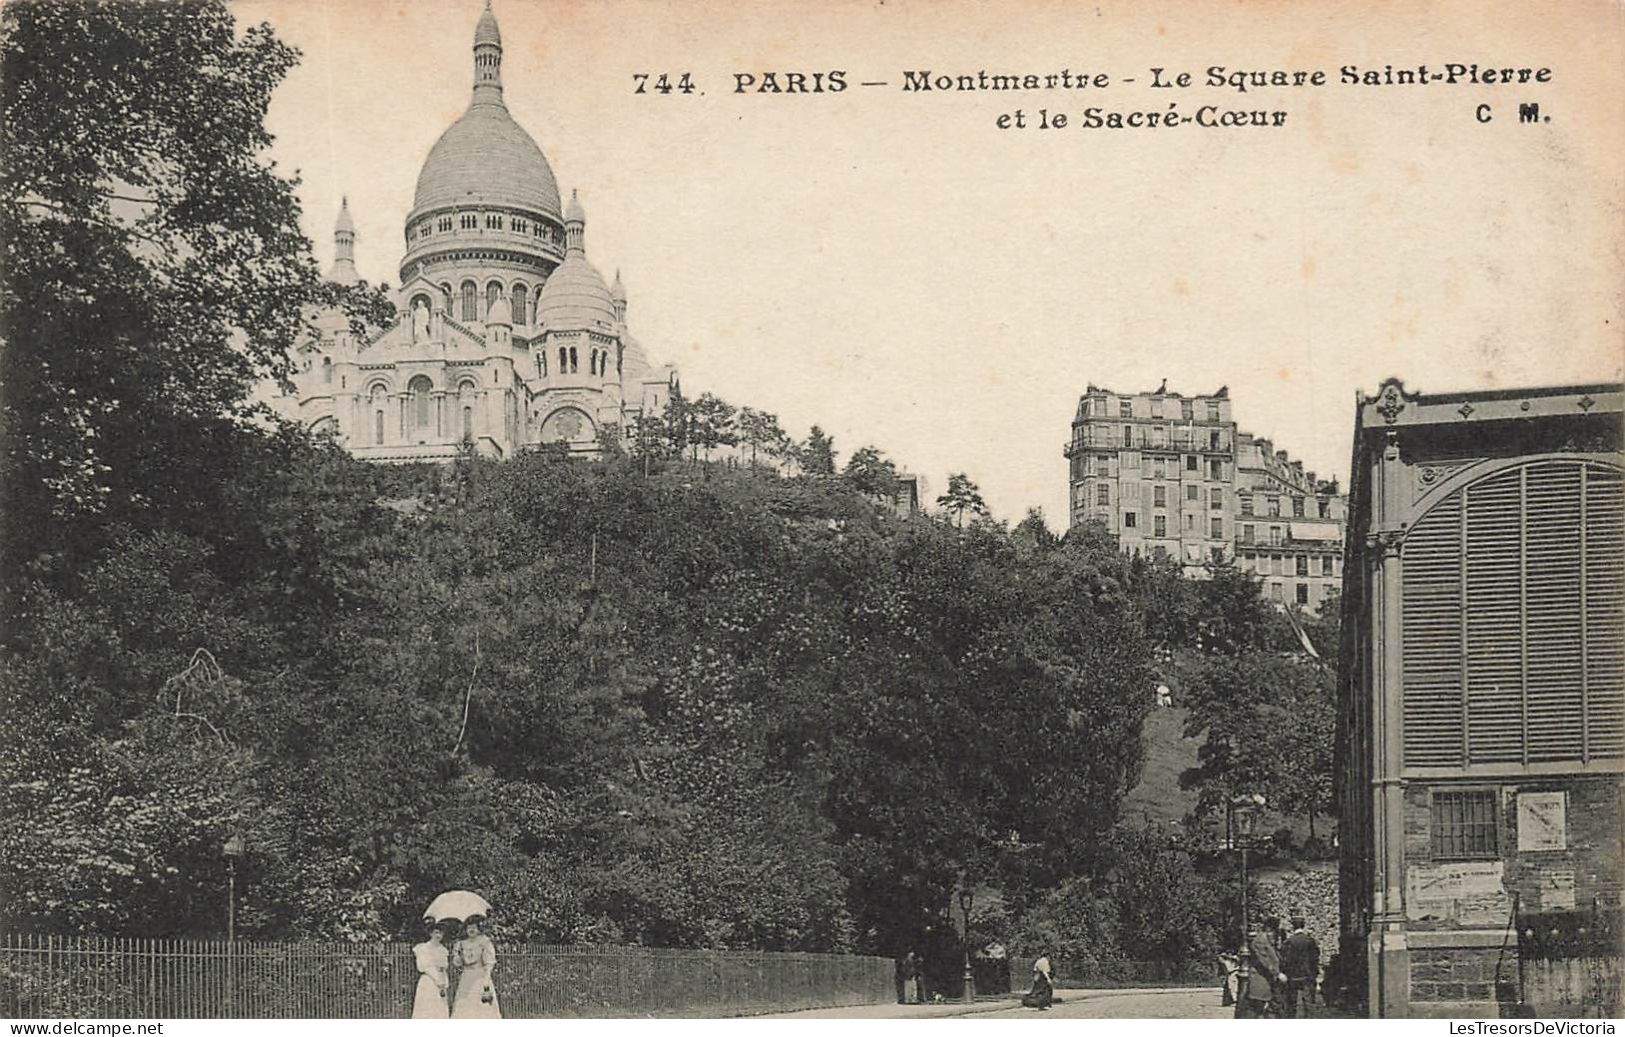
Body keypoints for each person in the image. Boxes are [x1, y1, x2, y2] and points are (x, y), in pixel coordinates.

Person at [450, 916, 501, 1019]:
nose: (471, 930)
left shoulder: (484, 942)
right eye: (469, 928)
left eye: (474, 927)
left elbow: (489, 961)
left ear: (478, 929)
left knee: (481, 1006)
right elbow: (458, 963)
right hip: (467, 977)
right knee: (464, 1004)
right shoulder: (462, 943)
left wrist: (486, 978)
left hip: (480, 976)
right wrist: (457, 957)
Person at [1238, 917, 1286, 1019]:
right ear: (1268, 929)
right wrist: (1277, 973)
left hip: (1268, 981)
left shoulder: (1267, 941)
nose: (1274, 934)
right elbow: (1265, 961)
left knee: (1273, 1008)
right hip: (1261, 980)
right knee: (1257, 1009)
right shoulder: (1260, 941)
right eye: (1273, 930)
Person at [1279, 916, 1321, 1018]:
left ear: (1293, 927)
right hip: (1307, 975)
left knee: (1291, 1003)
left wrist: (1285, 972)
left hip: (1292, 975)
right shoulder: (1310, 941)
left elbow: (1284, 959)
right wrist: (1315, 973)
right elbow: (1315, 957)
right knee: (1308, 1002)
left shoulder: (1289, 942)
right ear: (1303, 925)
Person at [411, 922, 451, 1018]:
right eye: (436, 932)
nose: (438, 935)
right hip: (429, 980)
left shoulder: (443, 950)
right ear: (431, 934)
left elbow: (444, 967)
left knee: (440, 1007)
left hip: (441, 981)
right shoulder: (423, 948)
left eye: (440, 933)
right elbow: (425, 966)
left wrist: (444, 981)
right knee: (427, 1007)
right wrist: (437, 979)